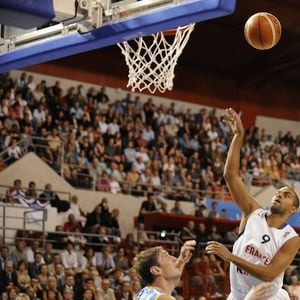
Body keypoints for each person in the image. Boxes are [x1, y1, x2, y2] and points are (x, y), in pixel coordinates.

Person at [206, 108, 300, 300]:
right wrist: (238, 136)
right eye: (279, 192)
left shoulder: (291, 238)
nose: (279, 195)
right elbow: (230, 175)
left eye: (287, 194)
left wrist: (230, 256)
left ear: (293, 209)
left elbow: (269, 274)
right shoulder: (252, 211)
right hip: (238, 295)